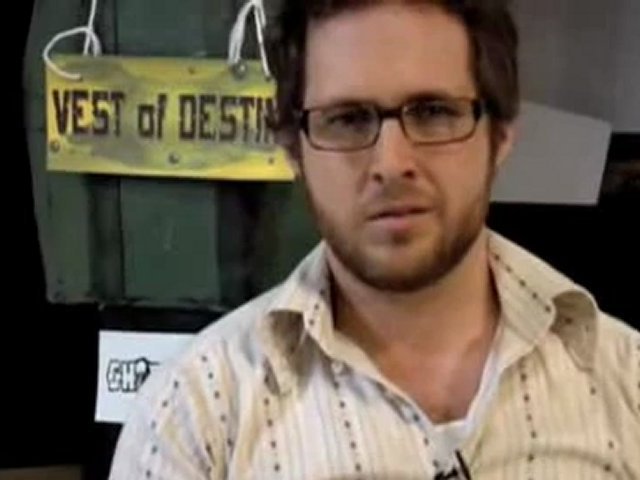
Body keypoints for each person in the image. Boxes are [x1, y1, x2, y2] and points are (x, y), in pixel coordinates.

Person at [109, 1, 640, 478]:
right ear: (294, 150)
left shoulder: (627, 381)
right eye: (346, 119)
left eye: (433, 112)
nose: (391, 163)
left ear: (500, 137)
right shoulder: (192, 418)